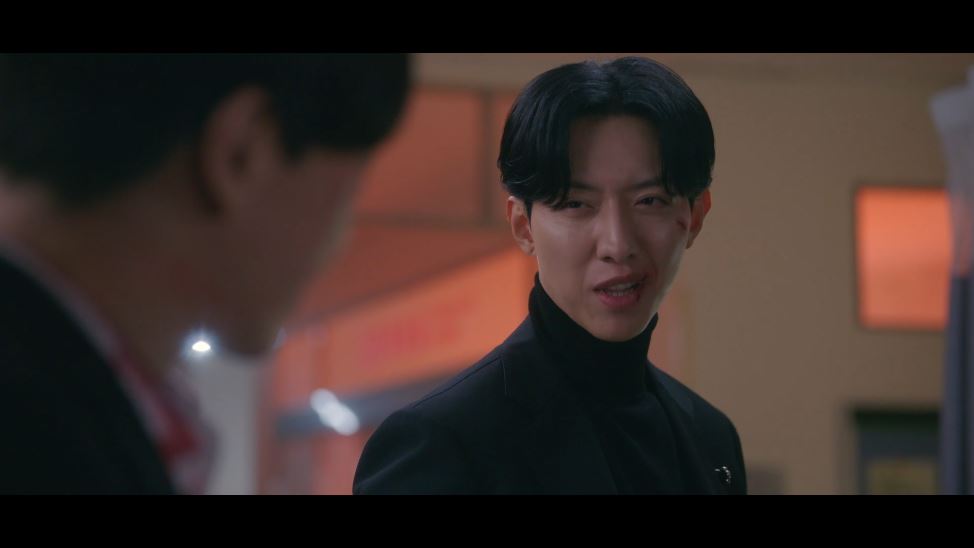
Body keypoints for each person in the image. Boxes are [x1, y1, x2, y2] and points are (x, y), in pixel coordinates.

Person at [0, 53, 411, 494]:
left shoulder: (65, 403)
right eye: (350, 194)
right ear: (242, 152)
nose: (340, 242)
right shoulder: (48, 439)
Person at [354, 56, 745, 494]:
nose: (617, 244)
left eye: (649, 200)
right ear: (524, 226)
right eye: (576, 204)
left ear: (695, 216)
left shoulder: (712, 437)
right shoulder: (442, 442)